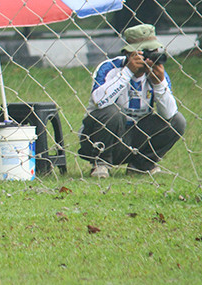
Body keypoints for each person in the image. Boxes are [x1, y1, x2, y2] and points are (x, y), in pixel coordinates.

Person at [78, 23, 186, 178]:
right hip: (100, 137)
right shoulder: (109, 68)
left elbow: (170, 114)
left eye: (154, 52)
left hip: (136, 136)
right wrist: (128, 72)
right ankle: (101, 164)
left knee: (178, 121)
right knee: (111, 112)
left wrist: (158, 83)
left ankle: (141, 165)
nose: (150, 57)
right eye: (145, 52)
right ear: (130, 52)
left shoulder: (158, 72)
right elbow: (99, 102)